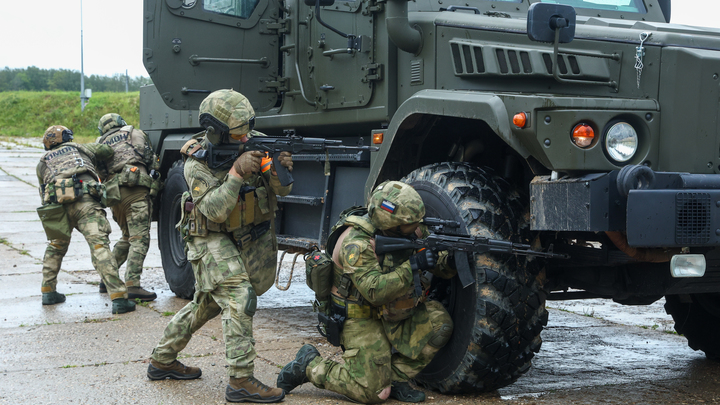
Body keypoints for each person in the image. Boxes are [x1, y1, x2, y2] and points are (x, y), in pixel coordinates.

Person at [147, 89, 293, 403]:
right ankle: (240, 380)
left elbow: (283, 189)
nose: (245, 140)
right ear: (217, 132)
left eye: (247, 132)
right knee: (239, 297)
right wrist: (238, 172)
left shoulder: (255, 140)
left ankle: (162, 359)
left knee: (208, 303)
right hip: (206, 235)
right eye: (239, 135)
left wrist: (278, 167)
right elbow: (214, 209)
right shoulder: (196, 161)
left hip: (242, 234)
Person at [277, 181, 456, 403]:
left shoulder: (412, 228)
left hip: (394, 311)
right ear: (392, 223)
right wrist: (413, 265)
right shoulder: (357, 242)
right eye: (410, 224)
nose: (417, 227)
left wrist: (448, 260)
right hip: (359, 318)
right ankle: (310, 365)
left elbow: (438, 264)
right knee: (374, 393)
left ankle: (395, 378)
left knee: (440, 324)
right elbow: (374, 291)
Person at [36, 125, 136, 314]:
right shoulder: (80, 148)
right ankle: (118, 298)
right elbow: (106, 151)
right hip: (86, 203)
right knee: (99, 247)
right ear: (68, 138)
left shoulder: (42, 162)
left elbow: (43, 189)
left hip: (58, 207)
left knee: (56, 246)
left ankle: (48, 291)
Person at [96, 113, 160, 302]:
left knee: (127, 236)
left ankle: (107, 278)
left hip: (114, 195)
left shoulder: (101, 141)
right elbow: (151, 159)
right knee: (139, 238)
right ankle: (132, 284)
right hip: (136, 190)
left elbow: (99, 171)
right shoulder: (135, 133)